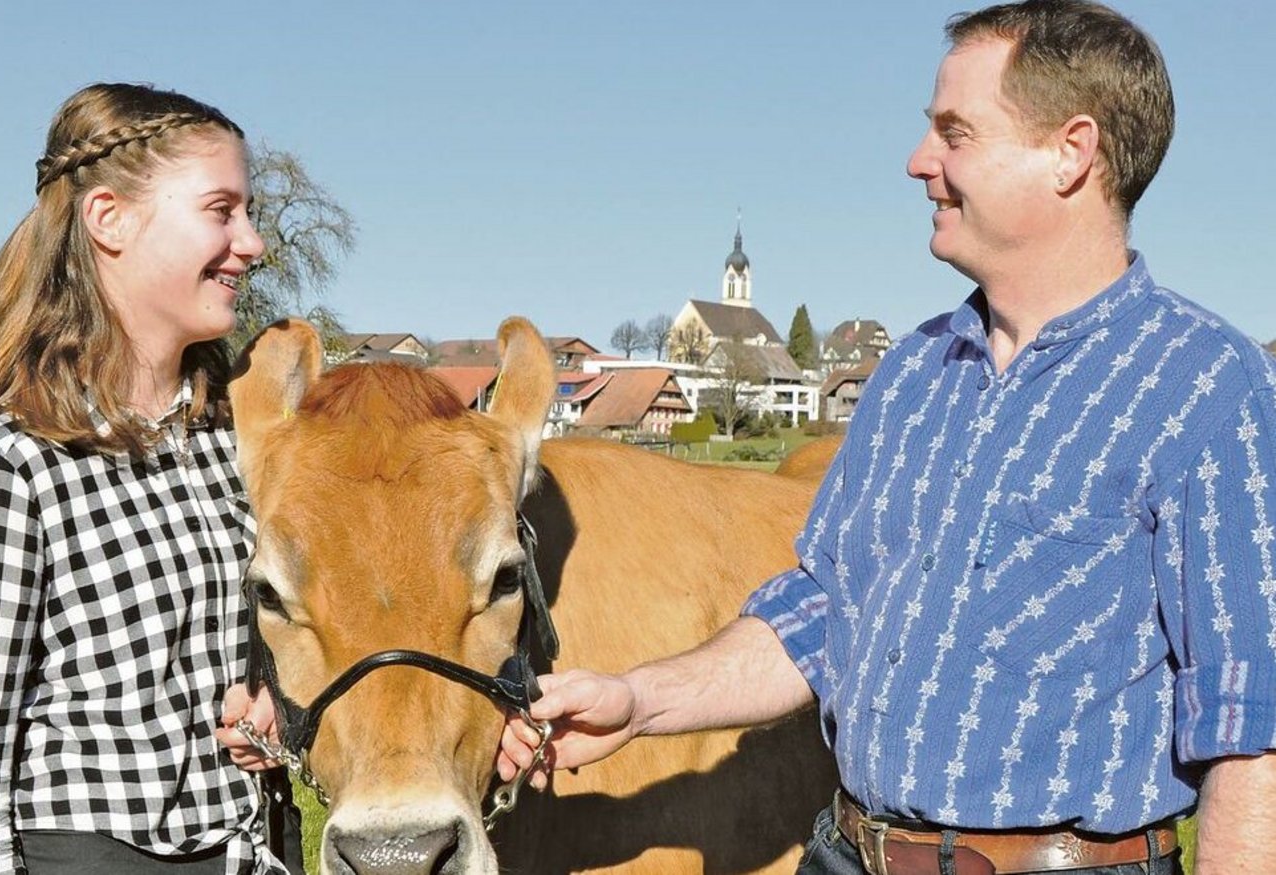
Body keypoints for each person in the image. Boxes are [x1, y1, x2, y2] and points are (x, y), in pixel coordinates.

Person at [500, 2, 1276, 873]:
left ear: (1071, 152)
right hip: (846, 853)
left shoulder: (1203, 384)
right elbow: (822, 613)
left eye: (955, 132)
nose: (920, 162)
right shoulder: (913, 373)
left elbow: (1253, 732)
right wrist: (639, 701)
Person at [0, 83, 301, 874]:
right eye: (221, 210)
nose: (253, 242)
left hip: (252, 852)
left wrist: (277, 707)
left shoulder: (238, 442)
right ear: (109, 220)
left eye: (248, 212)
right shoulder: (12, 463)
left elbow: (275, 657)